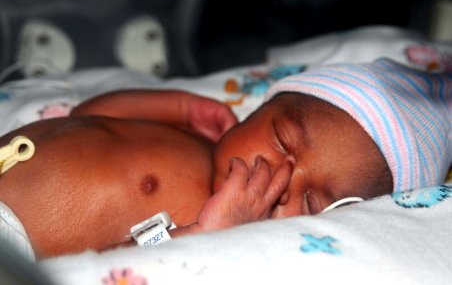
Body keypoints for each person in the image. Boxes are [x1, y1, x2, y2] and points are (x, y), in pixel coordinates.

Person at [0, 58, 450, 261]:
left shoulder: (210, 218)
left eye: (311, 202)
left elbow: (114, 264)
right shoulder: (188, 134)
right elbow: (88, 117)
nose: (279, 177)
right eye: (281, 139)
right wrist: (174, 106)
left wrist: (201, 234)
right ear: (258, 111)